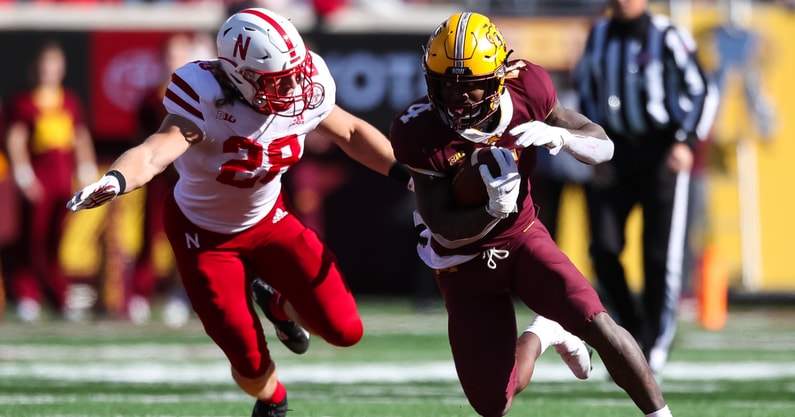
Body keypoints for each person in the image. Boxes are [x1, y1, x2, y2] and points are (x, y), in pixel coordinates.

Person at [67, 8, 410, 417]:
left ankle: (277, 305)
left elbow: (351, 132)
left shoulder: (307, 82)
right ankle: (274, 400)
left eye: (294, 72)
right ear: (239, 76)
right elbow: (156, 151)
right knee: (247, 360)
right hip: (203, 235)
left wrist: (408, 175)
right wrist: (117, 180)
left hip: (269, 220)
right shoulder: (204, 93)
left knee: (345, 330)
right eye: (277, 80)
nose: (295, 86)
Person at [390, 12, 673, 417]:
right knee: (493, 402)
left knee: (599, 324)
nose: (457, 98)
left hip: (523, 238)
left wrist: (563, 137)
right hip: (462, 262)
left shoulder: (529, 86)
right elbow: (443, 228)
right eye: (446, 86)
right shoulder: (417, 130)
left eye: (470, 87)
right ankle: (544, 331)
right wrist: (490, 211)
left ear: (498, 77)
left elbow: (603, 145)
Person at [573, 0, 718, 373]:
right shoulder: (599, 35)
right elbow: (586, 91)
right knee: (602, 249)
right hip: (616, 154)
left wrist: (685, 142)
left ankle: (656, 342)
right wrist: (594, 149)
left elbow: (702, 89)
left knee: (659, 256)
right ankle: (632, 331)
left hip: (660, 152)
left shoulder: (668, 35)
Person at [4, 40, 99, 322]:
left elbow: (80, 136)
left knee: (56, 242)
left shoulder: (69, 100)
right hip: (39, 181)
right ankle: (27, 295)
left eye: (53, 65)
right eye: (43, 66)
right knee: (32, 239)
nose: (48, 71)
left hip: (63, 182)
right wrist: (23, 174)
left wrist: (86, 168)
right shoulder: (24, 102)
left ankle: (58, 296)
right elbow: (16, 139)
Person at [127, 32, 203, 327]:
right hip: (159, 176)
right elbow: (140, 138)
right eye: (169, 53)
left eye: (180, 52)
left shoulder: (199, 94)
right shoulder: (151, 96)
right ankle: (140, 294)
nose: (174, 58)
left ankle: (182, 294)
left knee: (190, 237)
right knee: (149, 234)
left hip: (190, 176)